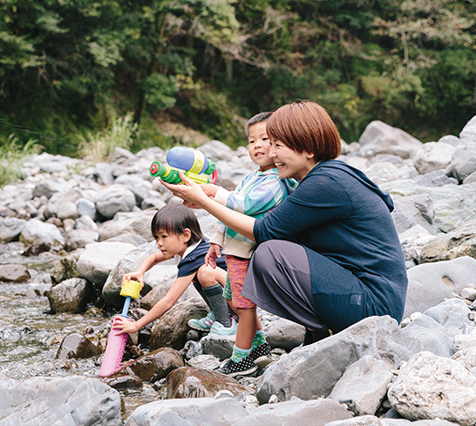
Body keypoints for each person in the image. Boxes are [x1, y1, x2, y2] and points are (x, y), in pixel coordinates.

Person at [161, 100, 408, 350]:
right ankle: (321, 332)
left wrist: (204, 200)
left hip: (374, 307)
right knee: (272, 248)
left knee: (269, 253)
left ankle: (323, 331)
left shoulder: (325, 183)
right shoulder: (323, 176)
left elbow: (264, 231)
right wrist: (208, 202)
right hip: (363, 294)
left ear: (308, 149)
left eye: (278, 145)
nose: (272, 153)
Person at [194, 111, 296, 377]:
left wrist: (211, 193)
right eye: (252, 141)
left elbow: (244, 205)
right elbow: (228, 213)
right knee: (236, 301)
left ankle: (241, 359)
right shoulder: (252, 177)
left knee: (244, 305)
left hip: (249, 253)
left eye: (266, 139)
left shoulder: (275, 181)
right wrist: (217, 240)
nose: (258, 145)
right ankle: (259, 344)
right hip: (234, 251)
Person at [112, 203, 234, 338]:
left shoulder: (194, 257)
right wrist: (140, 272)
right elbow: (154, 258)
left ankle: (226, 322)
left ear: (185, 235)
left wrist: (136, 325)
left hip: (241, 297)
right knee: (200, 274)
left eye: (164, 236)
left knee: (205, 273)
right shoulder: (187, 246)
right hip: (232, 293)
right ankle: (218, 313)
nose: (159, 243)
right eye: (157, 237)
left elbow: (169, 300)